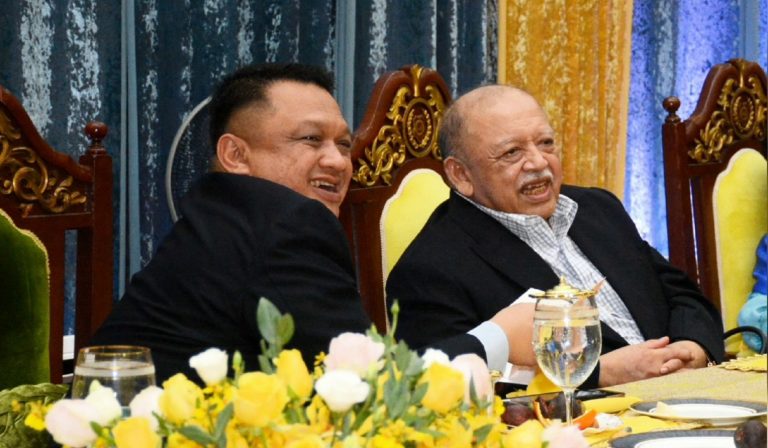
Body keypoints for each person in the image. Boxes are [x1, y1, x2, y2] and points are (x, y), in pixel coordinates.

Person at [91, 64, 522, 383]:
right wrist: (499, 337)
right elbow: (366, 382)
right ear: (235, 155)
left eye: (343, 144)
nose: (337, 161)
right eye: (310, 139)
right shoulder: (286, 222)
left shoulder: (222, 214)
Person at [386, 85, 725, 387]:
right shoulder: (429, 269)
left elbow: (682, 294)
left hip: (686, 391)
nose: (538, 163)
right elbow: (447, 381)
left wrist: (692, 346)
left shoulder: (598, 208)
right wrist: (598, 373)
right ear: (460, 175)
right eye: (512, 153)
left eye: (546, 143)